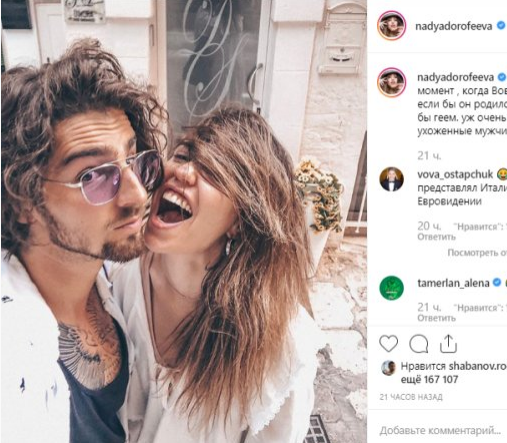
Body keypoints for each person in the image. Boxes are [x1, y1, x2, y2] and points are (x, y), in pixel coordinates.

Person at [111, 106, 324, 442]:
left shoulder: (280, 347)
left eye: (212, 172)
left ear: (239, 221)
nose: (183, 172)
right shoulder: (116, 278)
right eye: (183, 155)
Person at [1, 39, 166, 442]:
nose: (137, 196)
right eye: (93, 176)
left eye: (134, 162)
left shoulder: (109, 275)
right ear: (24, 200)